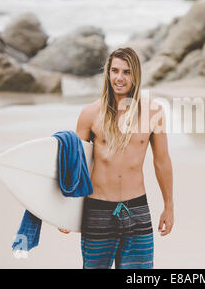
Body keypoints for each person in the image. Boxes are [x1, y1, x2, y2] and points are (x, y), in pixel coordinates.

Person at [58, 47, 174, 269]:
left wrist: (169, 206)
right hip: (98, 209)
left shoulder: (153, 113)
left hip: (137, 209)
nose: (119, 78)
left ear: (136, 76)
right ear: (108, 73)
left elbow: (162, 162)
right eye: (115, 71)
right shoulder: (90, 114)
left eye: (127, 72)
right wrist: (64, 211)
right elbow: (76, 166)